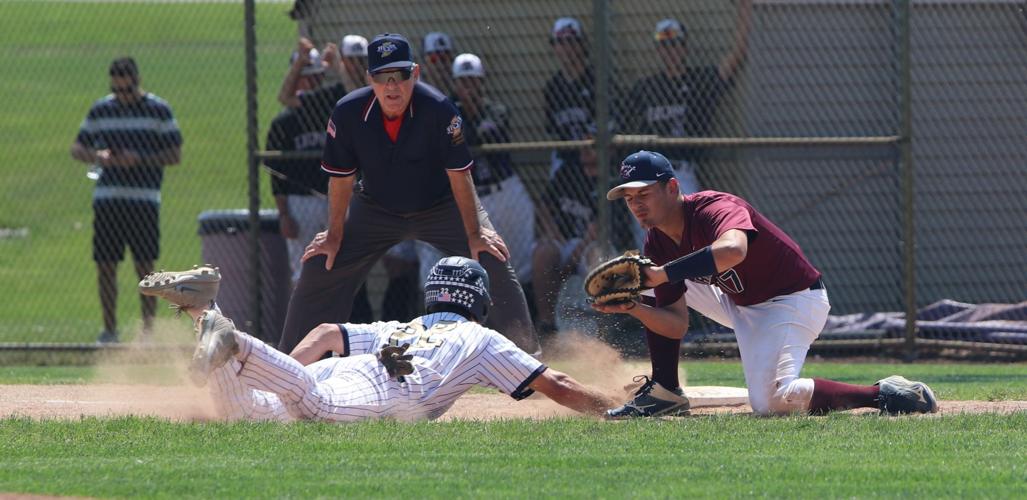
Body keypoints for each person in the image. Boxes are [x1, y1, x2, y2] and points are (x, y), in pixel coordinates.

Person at [595, 150, 939, 418]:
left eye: (644, 193)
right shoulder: (656, 242)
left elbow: (733, 249)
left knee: (773, 401)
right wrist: (635, 307)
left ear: (672, 187)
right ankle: (666, 392)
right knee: (642, 279)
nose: (636, 204)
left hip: (792, 301)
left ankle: (884, 394)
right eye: (629, 197)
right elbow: (676, 323)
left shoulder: (714, 207)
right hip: (739, 300)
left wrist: (664, 274)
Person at [282, 33, 541, 357]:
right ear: (369, 79)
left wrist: (475, 234)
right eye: (382, 77)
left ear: (415, 74)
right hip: (376, 209)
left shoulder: (439, 109)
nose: (392, 86)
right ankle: (290, 366)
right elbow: (341, 179)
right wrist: (334, 235)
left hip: (441, 205)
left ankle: (527, 364)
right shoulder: (348, 113)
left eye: (400, 76)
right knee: (321, 263)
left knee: (492, 257)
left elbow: (459, 174)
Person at [148, 258, 616, 422]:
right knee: (313, 405)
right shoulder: (480, 338)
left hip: (354, 367)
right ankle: (234, 339)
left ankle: (204, 311)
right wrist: (614, 409)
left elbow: (327, 334)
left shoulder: (401, 325)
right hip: (382, 387)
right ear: (479, 301)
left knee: (244, 413)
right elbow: (555, 382)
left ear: (433, 293)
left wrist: (284, 373)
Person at [70, 57, 182, 343]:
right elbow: (77, 147)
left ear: (136, 81)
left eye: (126, 90)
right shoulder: (101, 109)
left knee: (145, 267)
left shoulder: (158, 109)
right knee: (105, 265)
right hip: (108, 200)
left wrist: (140, 159)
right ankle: (109, 331)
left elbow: (174, 154)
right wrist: (99, 156)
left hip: (143, 201)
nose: (122, 95)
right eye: (117, 90)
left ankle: (148, 331)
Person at [417, 53, 535, 300]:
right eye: (463, 81)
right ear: (455, 83)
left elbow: (486, 137)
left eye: (473, 81)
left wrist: (472, 112)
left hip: (503, 192)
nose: (469, 86)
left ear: (482, 82)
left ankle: (527, 321)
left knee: (518, 265)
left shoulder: (497, 110)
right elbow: (458, 141)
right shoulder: (447, 110)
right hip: (466, 196)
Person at [625, 4, 751, 192]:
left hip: (681, 173)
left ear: (685, 48)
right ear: (658, 50)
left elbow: (736, 56)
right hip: (648, 173)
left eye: (675, 44)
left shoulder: (699, 82)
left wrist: (745, 7)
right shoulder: (646, 87)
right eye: (665, 46)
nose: (670, 51)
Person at [266, 45, 332, 283]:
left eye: (317, 76)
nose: (313, 82)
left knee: (338, 268)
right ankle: (305, 320)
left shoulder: (332, 110)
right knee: (303, 269)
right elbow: (276, 176)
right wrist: (284, 214)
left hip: (334, 197)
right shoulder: (284, 122)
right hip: (299, 201)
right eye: (307, 77)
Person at [542, 17, 620, 178]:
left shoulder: (598, 82)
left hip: (597, 160)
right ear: (554, 47)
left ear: (582, 44)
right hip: (567, 161)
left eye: (571, 41)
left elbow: (613, 124)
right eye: (560, 42)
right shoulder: (553, 88)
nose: (566, 48)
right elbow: (554, 131)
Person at [420, 32, 456, 98]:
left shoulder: (461, 96)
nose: (441, 65)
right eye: (434, 59)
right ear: (424, 63)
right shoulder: (414, 92)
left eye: (444, 59)